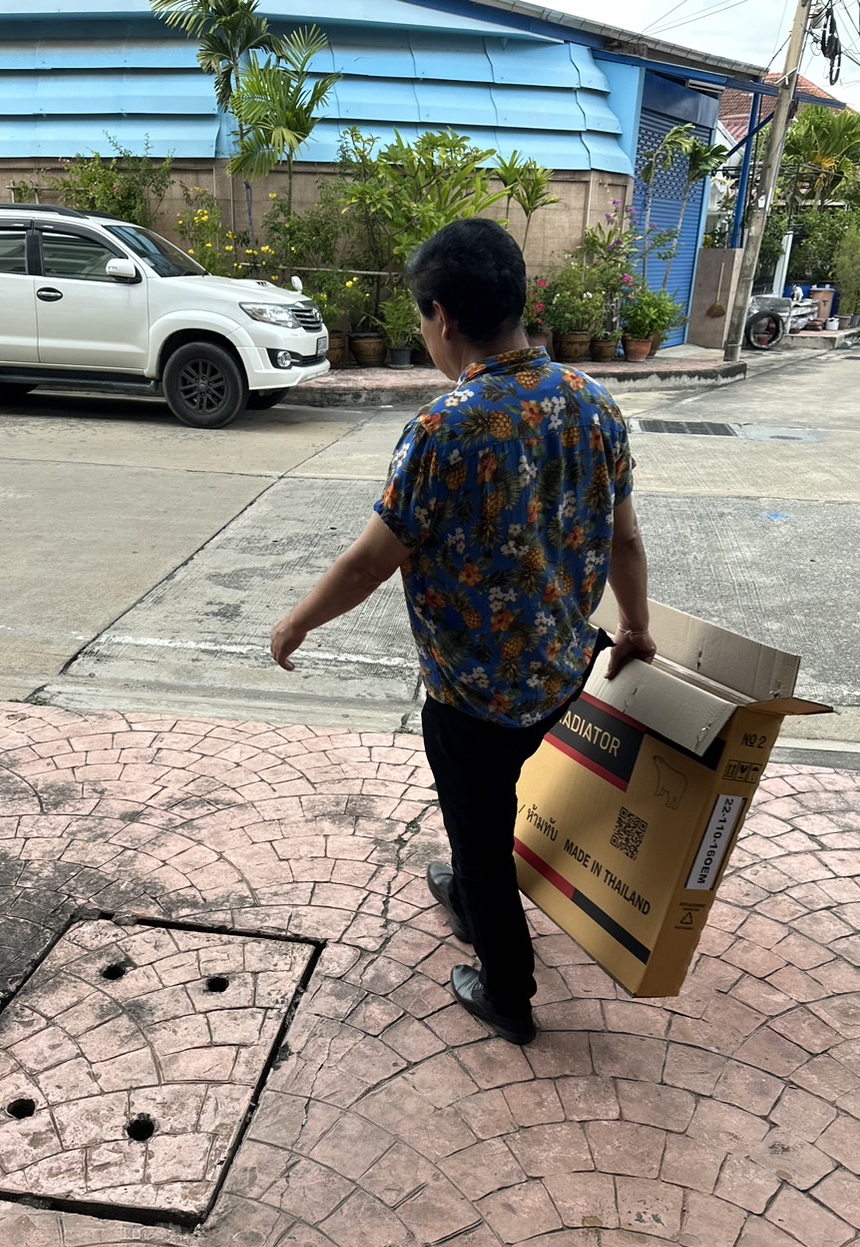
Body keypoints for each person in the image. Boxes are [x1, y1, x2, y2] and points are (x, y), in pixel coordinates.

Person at [270, 218, 653, 1046]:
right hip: (563, 672)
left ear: (442, 317)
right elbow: (625, 540)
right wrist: (635, 627)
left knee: (480, 838)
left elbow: (368, 565)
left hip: (474, 699)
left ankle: (507, 991)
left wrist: (296, 623)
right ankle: (471, 888)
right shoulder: (595, 404)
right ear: (517, 298)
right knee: (487, 815)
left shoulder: (445, 429)